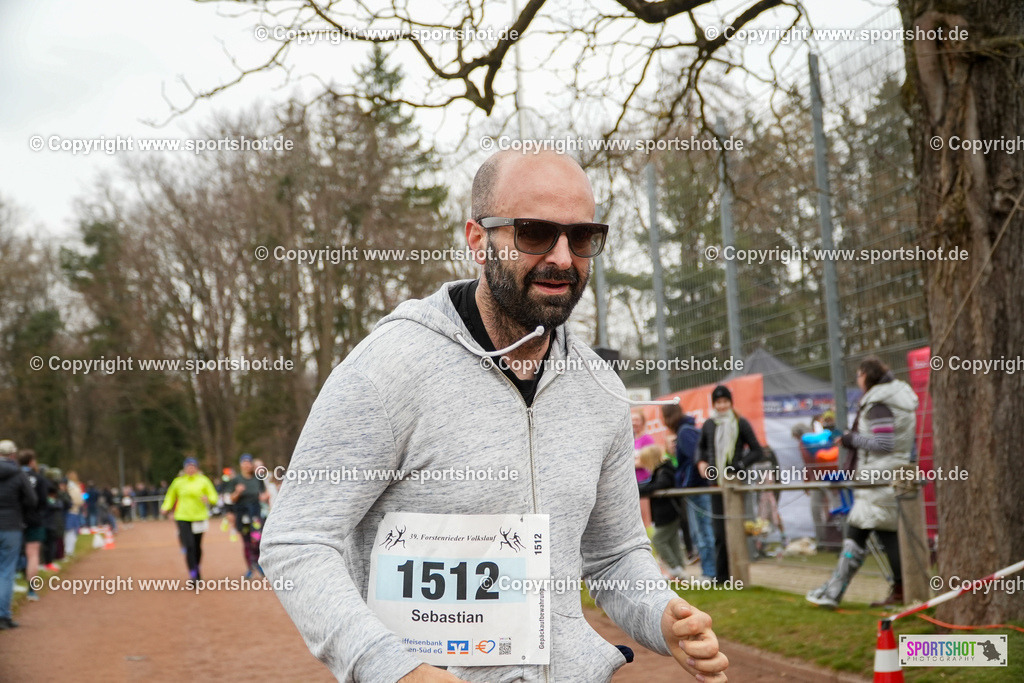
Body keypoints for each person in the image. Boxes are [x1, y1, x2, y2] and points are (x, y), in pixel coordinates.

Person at [261, 150, 727, 683]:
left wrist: (661, 616)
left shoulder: (600, 387)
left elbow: (614, 554)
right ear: (478, 239)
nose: (562, 258)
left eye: (580, 238)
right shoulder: (386, 370)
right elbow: (296, 541)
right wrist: (394, 668)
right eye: (533, 232)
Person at [807, 357, 918, 608]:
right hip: (885, 475)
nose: (857, 380)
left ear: (867, 375)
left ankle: (834, 592)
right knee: (875, 531)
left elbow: (884, 444)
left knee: (862, 531)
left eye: (859, 374)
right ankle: (897, 591)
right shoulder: (894, 398)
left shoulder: (879, 402)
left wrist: (850, 439)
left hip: (879, 477)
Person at [695, 385, 763, 583]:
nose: (722, 406)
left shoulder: (741, 423)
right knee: (719, 531)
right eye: (718, 402)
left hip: (734, 483)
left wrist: (739, 465)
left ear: (731, 403)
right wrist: (701, 462)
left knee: (736, 528)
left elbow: (757, 450)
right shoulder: (709, 424)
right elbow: (700, 448)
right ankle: (722, 576)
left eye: (725, 402)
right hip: (716, 483)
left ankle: (740, 573)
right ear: (714, 404)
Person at [663, 404, 716, 579]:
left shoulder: (685, 432)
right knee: (699, 532)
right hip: (694, 488)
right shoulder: (686, 431)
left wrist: (687, 480)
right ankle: (708, 571)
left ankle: (710, 573)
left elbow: (697, 456)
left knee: (703, 532)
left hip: (696, 488)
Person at [161, 457, 219, 583]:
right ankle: (193, 574)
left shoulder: (204, 481)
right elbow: (170, 496)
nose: (191, 469)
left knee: (197, 547)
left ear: (197, 468)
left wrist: (208, 499)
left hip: (199, 517)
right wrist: (165, 507)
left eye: (193, 466)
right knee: (189, 546)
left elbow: (214, 496)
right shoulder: (178, 482)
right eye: (188, 466)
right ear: (185, 468)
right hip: (183, 517)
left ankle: (196, 568)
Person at [0, 440, 36, 629]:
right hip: (11, 525)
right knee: (6, 571)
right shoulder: (18, 474)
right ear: (13, 455)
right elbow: (32, 499)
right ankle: (3, 616)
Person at [636, 445, 686, 579]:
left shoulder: (664, 471)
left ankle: (675, 567)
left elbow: (659, 485)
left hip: (667, 513)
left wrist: (640, 490)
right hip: (665, 513)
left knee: (658, 540)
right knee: (672, 541)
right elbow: (651, 484)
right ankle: (680, 568)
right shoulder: (661, 471)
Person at [226, 454, 269, 577]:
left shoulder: (257, 479)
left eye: (248, 462)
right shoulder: (236, 480)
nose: (246, 465)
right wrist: (237, 492)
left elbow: (264, 493)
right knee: (246, 542)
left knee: (256, 539)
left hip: (255, 513)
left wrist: (264, 497)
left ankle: (257, 563)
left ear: (251, 464)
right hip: (242, 513)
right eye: (244, 462)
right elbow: (231, 499)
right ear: (240, 464)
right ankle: (250, 567)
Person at [18, 450, 49, 602]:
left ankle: (10, 586)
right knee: (33, 554)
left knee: (10, 553)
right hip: (35, 520)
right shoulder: (39, 479)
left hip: (15, 520)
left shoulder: (14, 477)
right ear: (31, 462)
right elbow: (43, 501)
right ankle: (32, 590)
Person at [64, 471, 84, 557]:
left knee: (71, 531)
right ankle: (69, 551)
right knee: (70, 531)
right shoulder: (73, 487)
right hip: (72, 510)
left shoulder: (71, 486)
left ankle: (69, 550)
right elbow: (78, 499)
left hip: (73, 510)